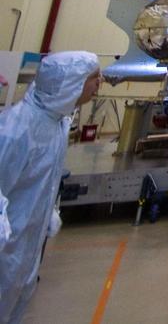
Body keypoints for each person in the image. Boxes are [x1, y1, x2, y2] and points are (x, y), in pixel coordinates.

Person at [0, 50, 100, 324]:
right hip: (7, 246)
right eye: (93, 78)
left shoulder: (56, 125)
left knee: (15, 305)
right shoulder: (15, 129)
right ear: (70, 83)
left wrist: (48, 212)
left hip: (27, 244)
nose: (98, 84)